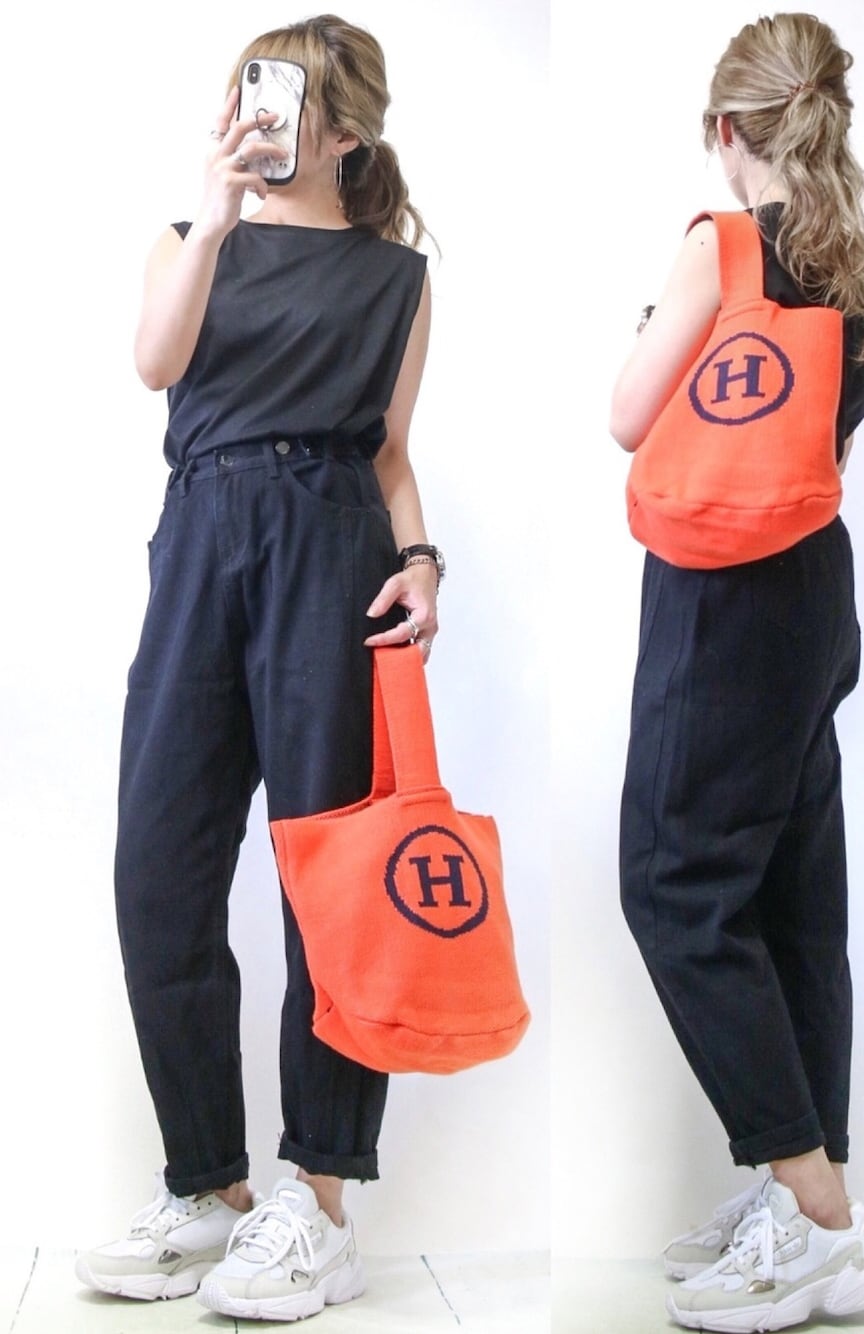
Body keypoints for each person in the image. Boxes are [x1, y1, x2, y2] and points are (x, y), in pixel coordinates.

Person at [76, 14, 443, 1323]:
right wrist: (216, 214)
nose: (260, 117)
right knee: (159, 870)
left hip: (332, 554)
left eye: (285, 98)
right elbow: (155, 363)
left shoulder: (396, 278)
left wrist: (422, 559)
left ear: (345, 130)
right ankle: (210, 1186)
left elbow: (388, 450)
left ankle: (319, 1200)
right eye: (246, 92)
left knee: (332, 883)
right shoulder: (192, 239)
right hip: (202, 544)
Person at [612, 14, 864, 1333]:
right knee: (791, 894)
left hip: (721, 594)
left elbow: (627, 414)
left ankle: (817, 1211)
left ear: (728, 131)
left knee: (671, 884)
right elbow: (826, 433)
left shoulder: (719, 247)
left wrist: (657, 327)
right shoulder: (854, 272)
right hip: (813, 594)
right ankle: (805, 1188)